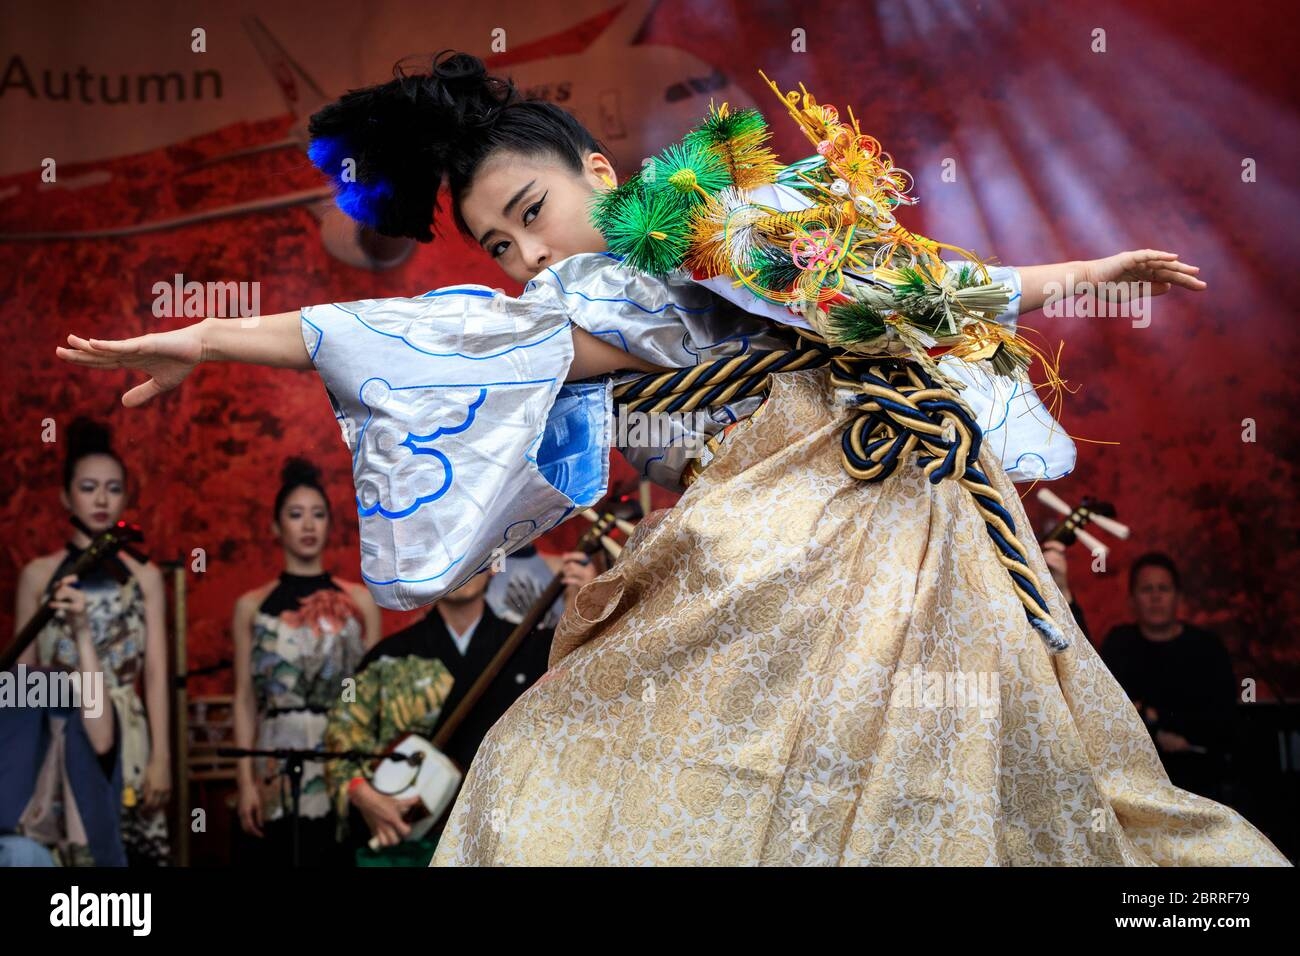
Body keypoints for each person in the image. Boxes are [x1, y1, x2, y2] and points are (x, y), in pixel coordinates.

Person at [56, 52, 1289, 865]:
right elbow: (411, 335)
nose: (527, 256)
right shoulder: (589, 304)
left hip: (877, 517)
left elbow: (915, 285)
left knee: (977, 781)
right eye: (498, 245)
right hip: (776, 535)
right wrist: (206, 337)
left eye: (529, 214)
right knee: (560, 757)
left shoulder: (729, 220)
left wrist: (1084, 271)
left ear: (598, 172)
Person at [324, 553, 600, 865]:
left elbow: (584, 711)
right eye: (451, 555)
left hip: (502, 841)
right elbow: (341, 738)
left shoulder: (533, 648)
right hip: (408, 842)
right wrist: (365, 796)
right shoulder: (388, 657)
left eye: (473, 553)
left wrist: (586, 611)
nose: (463, 567)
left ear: (494, 564)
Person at [13, 417, 170, 865]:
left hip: (129, 728)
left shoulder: (144, 576)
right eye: (88, 487)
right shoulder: (40, 575)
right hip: (61, 728)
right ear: (66, 496)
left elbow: (155, 674)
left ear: (125, 496)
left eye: (113, 488)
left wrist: (162, 757)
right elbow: (24, 679)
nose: (101, 499)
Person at [231, 457, 380, 866]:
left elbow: (367, 696)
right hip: (274, 753)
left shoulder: (359, 602)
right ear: (276, 527)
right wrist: (244, 781)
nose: (308, 525)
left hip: (342, 754)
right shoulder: (252, 606)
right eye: (296, 515)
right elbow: (244, 698)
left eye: (318, 514)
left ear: (330, 524)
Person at [1, 574, 125, 867]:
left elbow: (101, 737)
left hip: (48, 845)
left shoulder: (28, 686)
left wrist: (81, 631)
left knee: (24, 855)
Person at [1100, 553, 1238, 800]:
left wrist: (1157, 717)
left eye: (1163, 589)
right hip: (1134, 777)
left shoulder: (1206, 647)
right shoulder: (1119, 644)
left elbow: (1223, 717)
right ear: (1132, 600)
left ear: (1178, 597)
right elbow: (1107, 713)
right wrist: (1158, 732)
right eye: (1147, 589)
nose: (1156, 597)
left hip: (1200, 775)